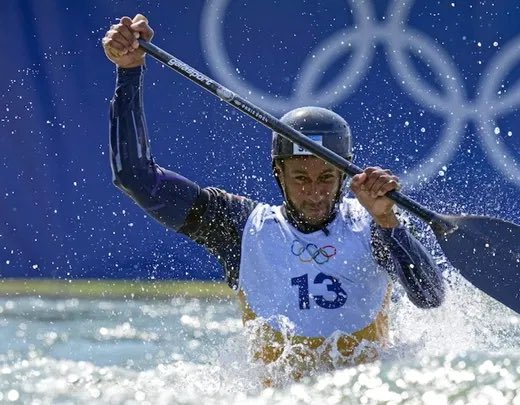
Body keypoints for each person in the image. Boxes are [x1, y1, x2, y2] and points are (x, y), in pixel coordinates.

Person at [102, 14, 445, 382]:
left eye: (326, 177)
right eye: (300, 178)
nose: (314, 192)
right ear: (277, 174)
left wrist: (389, 221)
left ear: (343, 176)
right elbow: (134, 176)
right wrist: (130, 71)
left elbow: (430, 297)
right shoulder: (238, 227)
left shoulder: (374, 223)